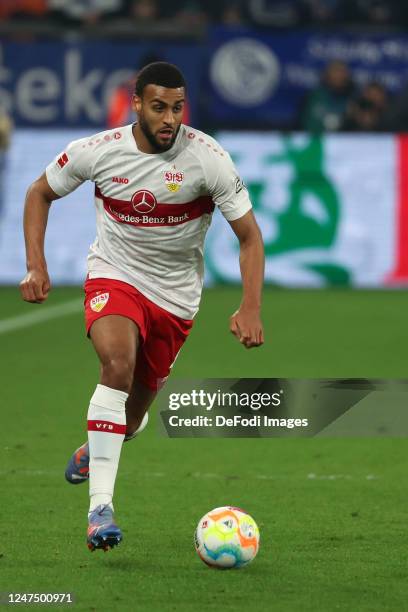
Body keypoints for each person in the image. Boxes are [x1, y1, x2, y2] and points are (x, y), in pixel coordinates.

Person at [19, 62, 265, 552]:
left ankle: (102, 440)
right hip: (115, 274)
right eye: (158, 107)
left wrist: (250, 306)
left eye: (177, 107)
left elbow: (250, 237)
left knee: (129, 419)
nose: (170, 118)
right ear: (137, 104)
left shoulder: (209, 159)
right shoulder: (99, 152)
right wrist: (36, 266)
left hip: (175, 298)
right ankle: (100, 510)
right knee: (116, 364)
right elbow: (39, 192)